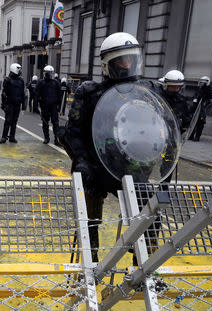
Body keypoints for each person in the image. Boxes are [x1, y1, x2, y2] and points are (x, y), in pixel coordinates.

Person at [58, 32, 143, 262]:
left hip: (130, 168)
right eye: (120, 61)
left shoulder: (143, 93)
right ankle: (89, 265)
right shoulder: (90, 93)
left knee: (147, 217)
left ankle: (144, 266)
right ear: (108, 64)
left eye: (130, 59)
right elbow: (71, 133)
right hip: (95, 167)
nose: (127, 65)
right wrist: (82, 160)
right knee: (89, 220)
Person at [0, 63, 26, 144]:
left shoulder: (21, 80)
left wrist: (23, 105)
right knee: (8, 121)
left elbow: (23, 93)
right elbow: (4, 93)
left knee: (14, 121)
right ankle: (4, 137)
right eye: (19, 69)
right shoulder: (8, 80)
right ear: (14, 69)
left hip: (17, 104)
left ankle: (12, 137)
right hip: (10, 103)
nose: (20, 71)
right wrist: (3, 104)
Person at [36, 65, 61, 145]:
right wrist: (36, 106)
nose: (49, 74)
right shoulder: (41, 82)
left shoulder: (56, 83)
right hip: (44, 106)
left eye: (50, 73)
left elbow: (59, 95)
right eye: (48, 73)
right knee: (45, 123)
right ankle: (46, 138)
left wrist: (59, 106)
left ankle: (56, 139)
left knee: (55, 123)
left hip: (53, 106)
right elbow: (37, 94)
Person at [190, 76, 212, 141]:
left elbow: (210, 99)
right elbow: (195, 95)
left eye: (203, 82)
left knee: (200, 123)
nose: (201, 83)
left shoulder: (209, 90)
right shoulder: (199, 88)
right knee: (193, 122)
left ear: (207, 83)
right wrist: (194, 99)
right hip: (196, 107)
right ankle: (191, 135)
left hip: (203, 109)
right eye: (201, 82)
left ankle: (197, 136)